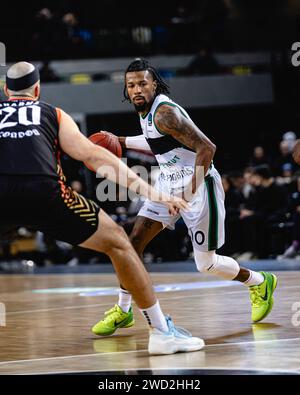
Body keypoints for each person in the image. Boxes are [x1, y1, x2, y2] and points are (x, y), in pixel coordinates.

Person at [0, 61, 204, 355]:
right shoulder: (51, 113)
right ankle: (161, 332)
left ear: (7, 91)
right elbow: (94, 157)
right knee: (121, 244)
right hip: (44, 192)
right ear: (37, 89)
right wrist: (153, 193)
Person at [93, 58, 277, 336]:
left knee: (207, 264)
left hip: (199, 185)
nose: (137, 89)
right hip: (168, 184)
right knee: (131, 244)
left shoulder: (164, 113)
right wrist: (120, 140)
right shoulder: (146, 113)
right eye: (131, 85)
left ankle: (258, 281)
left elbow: (207, 148)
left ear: (154, 84)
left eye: (143, 83)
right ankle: (124, 309)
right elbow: (158, 141)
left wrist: (188, 193)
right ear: (126, 89)